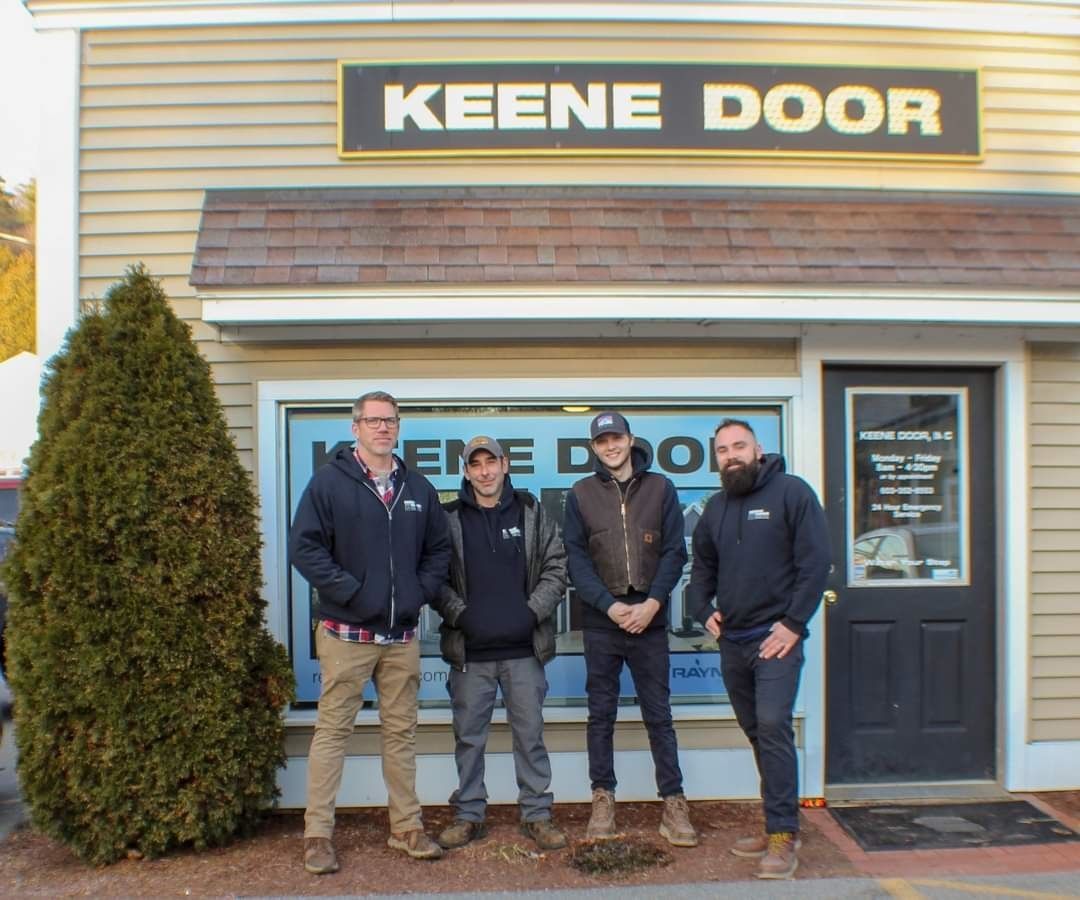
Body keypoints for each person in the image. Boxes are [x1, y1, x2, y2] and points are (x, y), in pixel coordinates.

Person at [289, 390, 451, 874]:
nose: (383, 428)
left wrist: (416, 595)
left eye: (390, 420)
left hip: (401, 638)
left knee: (400, 733)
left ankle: (407, 826)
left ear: (398, 427)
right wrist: (357, 595)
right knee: (333, 732)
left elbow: (438, 552)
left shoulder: (418, 489)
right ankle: (317, 835)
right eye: (373, 420)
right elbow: (306, 549)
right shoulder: (328, 484)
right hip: (345, 635)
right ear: (354, 427)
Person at [687, 418, 830, 880]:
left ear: (758, 449)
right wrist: (701, 609)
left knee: (772, 725)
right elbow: (702, 566)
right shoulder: (716, 509)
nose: (731, 455)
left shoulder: (792, 493)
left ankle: (784, 835)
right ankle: (775, 824)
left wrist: (793, 624)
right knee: (756, 732)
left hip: (776, 640)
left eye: (739, 446)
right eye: (723, 450)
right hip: (734, 642)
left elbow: (816, 563)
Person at [562, 411, 698, 848]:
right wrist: (609, 605)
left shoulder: (660, 488)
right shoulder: (580, 494)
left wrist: (653, 603)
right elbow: (575, 559)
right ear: (594, 448)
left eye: (616, 437)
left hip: (650, 620)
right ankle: (603, 798)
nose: (610, 446)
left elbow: (675, 552)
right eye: (602, 441)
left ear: (630, 439)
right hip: (604, 623)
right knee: (601, 715)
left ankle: (674, 803)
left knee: (659, 716)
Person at [431, 436, 569, 852]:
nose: (485, 471)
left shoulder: (531, 511)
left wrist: (530, 613)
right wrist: (460, 614)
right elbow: (433, 577)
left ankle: (537, 814)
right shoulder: (448, 517)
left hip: (524, 651)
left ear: (505, 464)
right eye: (476, 465)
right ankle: (469, 814)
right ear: (466, 471)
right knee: (469, 737)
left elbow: (557, 566)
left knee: (530, 735)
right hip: (470, 654)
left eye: (492, 462)